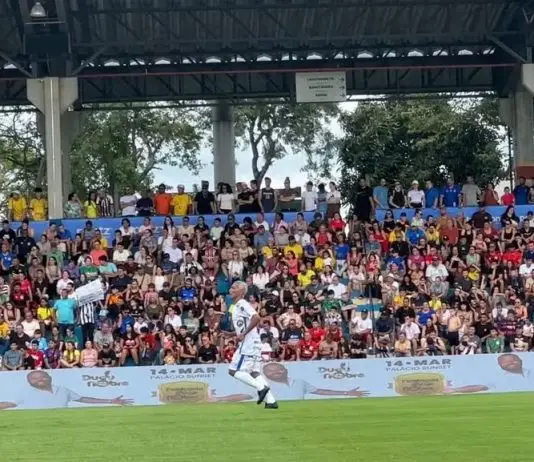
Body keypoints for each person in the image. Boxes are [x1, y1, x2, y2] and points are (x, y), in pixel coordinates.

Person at [227, 281, 278, 409]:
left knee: (233, 370)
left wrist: (243, 334)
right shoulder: (235, 306)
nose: (230, 289)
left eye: (234, 288)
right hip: (254, 342)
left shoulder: (242, 304)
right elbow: (244, 326)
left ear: (241, 292)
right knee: (254, 372)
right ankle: (271, 401)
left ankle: (261, 388)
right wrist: (231, 334)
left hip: (248, 343)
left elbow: (256, 318)